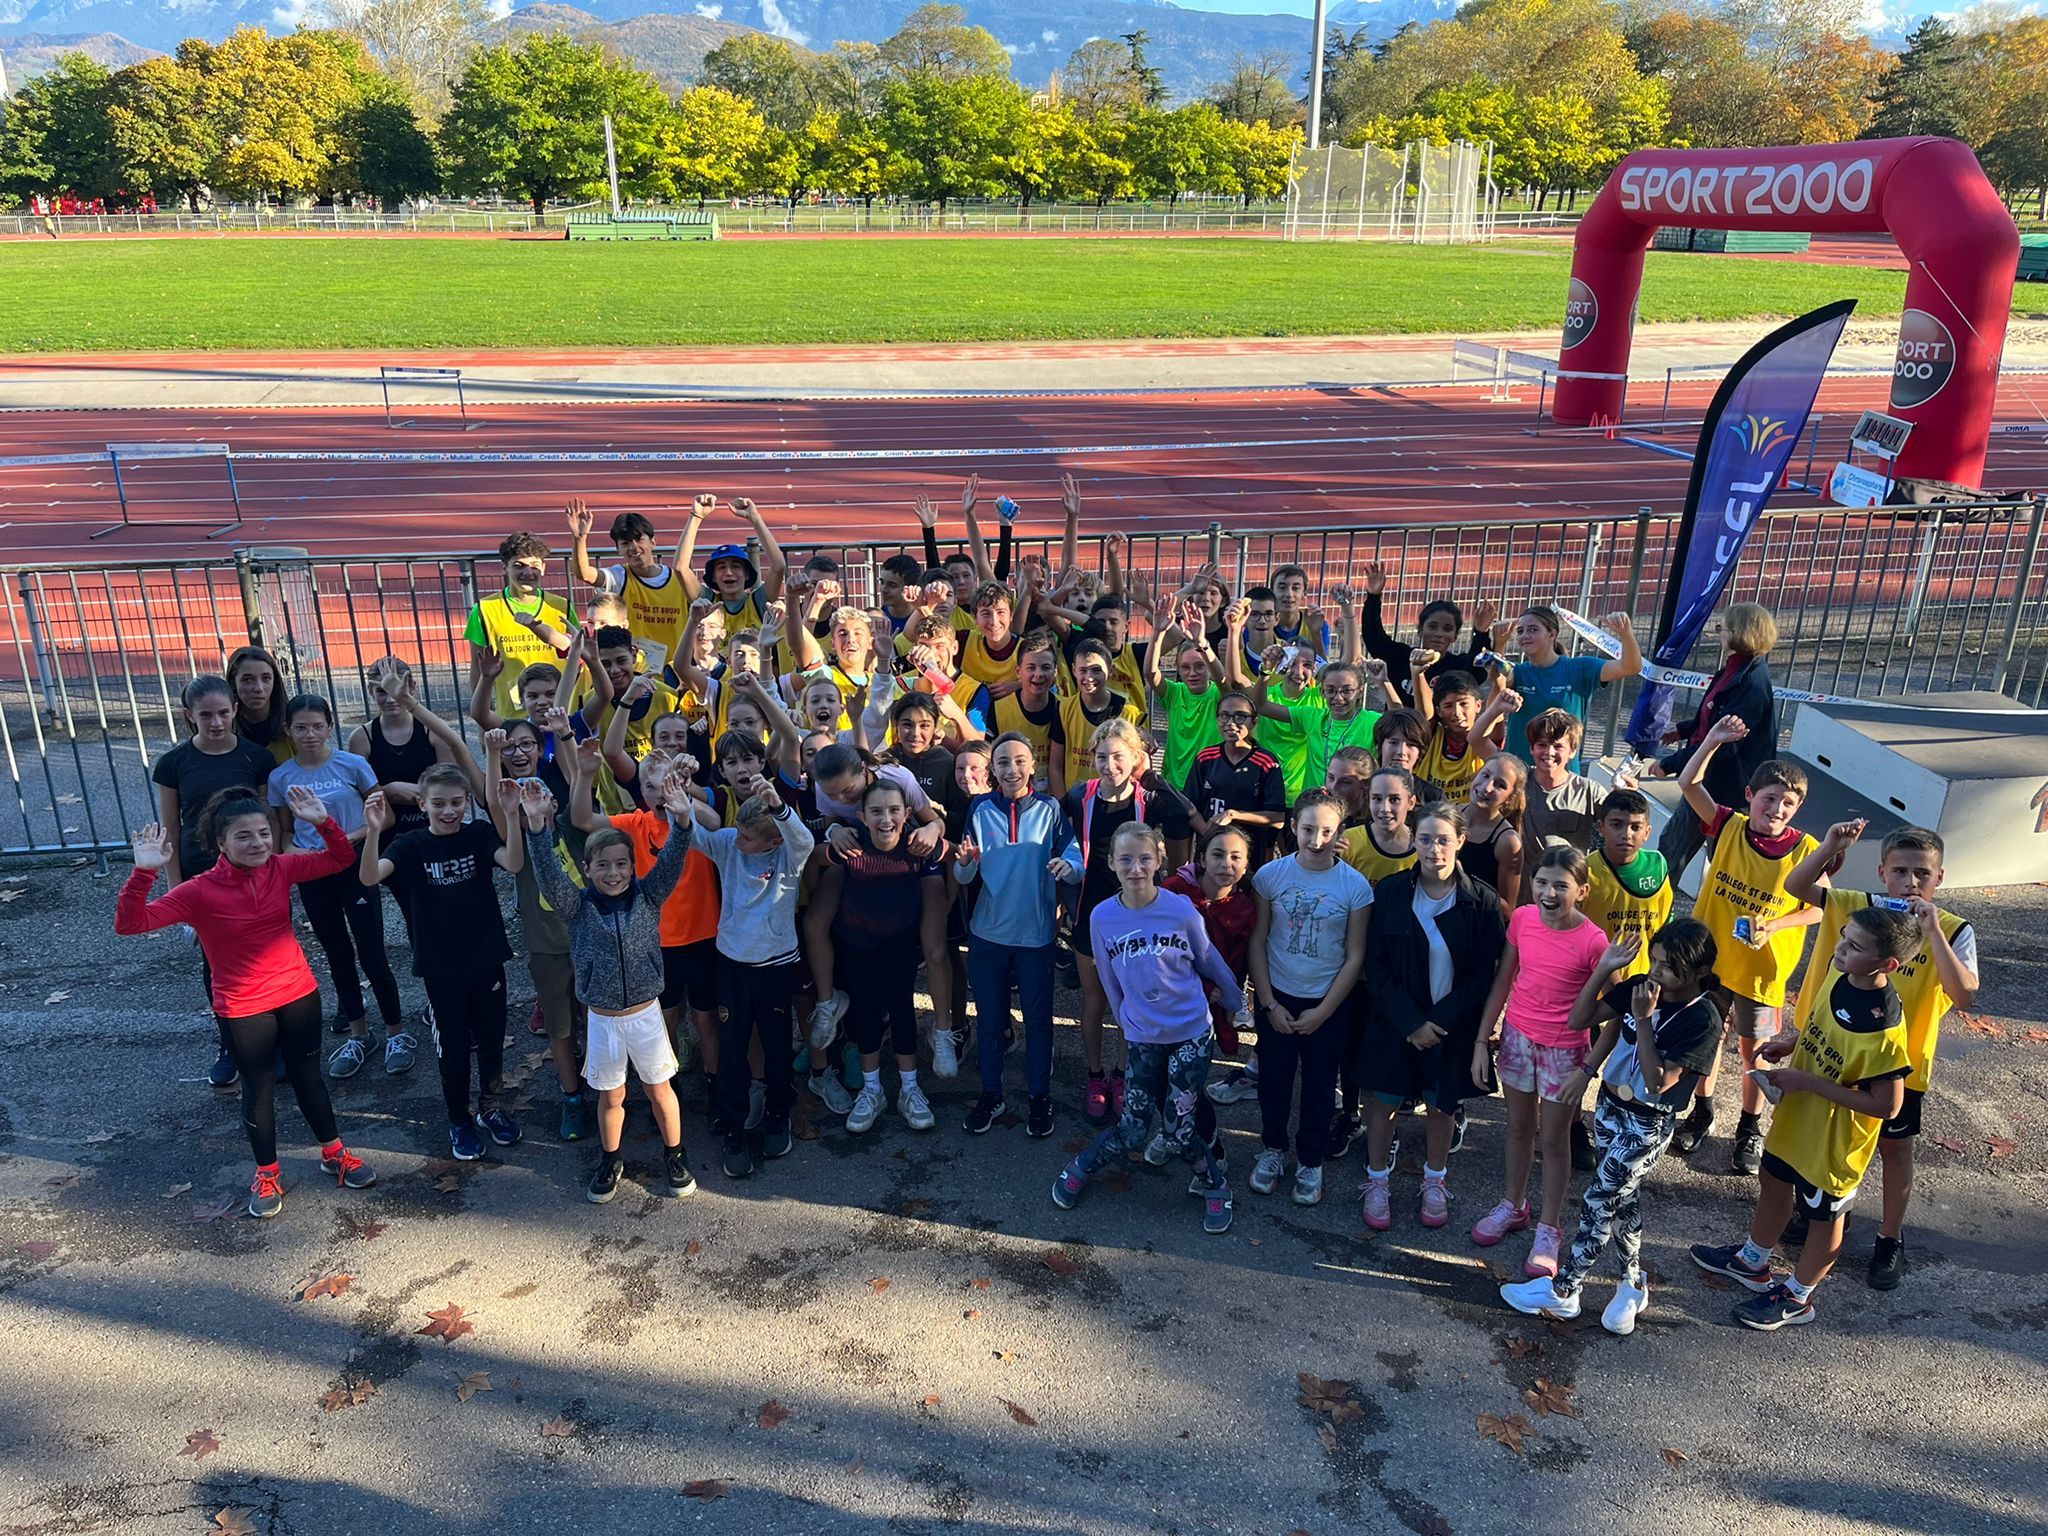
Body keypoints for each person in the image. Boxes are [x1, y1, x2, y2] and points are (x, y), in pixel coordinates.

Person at [117, 785, 377, 1219]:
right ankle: (268, 1173)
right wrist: (143, 873)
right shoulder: (198, 890)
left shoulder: (280, 868)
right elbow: (131, 923)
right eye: (244, 836)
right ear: (221, 844)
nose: (257, 843)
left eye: (263, 833)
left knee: (308, 1077)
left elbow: (340, 860)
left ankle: (335, 1153)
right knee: (257, 1090)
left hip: (297, 993)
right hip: (243, 1006)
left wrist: (321, 821)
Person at [1691, 907, 1919, 1330]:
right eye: (1844, 937)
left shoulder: (1884, 1031)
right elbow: (1824, 1027)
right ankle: (1752, 1261)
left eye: (1854, 946)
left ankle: (1798, 1295)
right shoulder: (1842, 973)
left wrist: (1808, 1082)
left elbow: (1887, 1107)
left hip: (1834, 1142)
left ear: (1887, 965)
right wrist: (1791, 1043)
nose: (1840, 948)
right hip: (1798, 1118)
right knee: (1774, 1179)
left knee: (1824, 1218)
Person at [1499, 921, 1724, 1334]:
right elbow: (1579, 1018)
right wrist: (1603, 969)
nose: (1656, 972)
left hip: (1648, 1121)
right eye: (1654, 960)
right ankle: (1632, 1283)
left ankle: (1564, 1291)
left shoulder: (1704, 1020)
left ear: (1698, 973)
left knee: (1599, 1199)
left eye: (1669, 966)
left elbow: (1658, 1082)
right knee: (1623, 1198)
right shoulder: (1640, 986)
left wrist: (1642, 1020)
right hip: (1610, 1107)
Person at [1785, 822, 1978, 1290]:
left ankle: (1890, 1237)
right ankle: (1823, 1212)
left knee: (1894, 1151)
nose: (1911, 882)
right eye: (1900, 871)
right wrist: (1830, 848)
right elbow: (1795, 886)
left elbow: (1965, 994)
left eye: (1922, 874)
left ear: (1940, 877)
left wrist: (1931, 931)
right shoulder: (1857, 907)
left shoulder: (1953, 929)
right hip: (1834, 1052)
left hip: (1899, 1066)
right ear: (1882, 872)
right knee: (1820, 1139)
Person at [1053, 822, 1239, 1234]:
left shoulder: (1179, 910)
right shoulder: (1102, 916)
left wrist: (1236, 1001)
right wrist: (1125, 1021)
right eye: (1125, 860)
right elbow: (1108, 977)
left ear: (1159, 860)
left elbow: (1208, 959)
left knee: (1177, 1131)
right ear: (1111, 863)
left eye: (1144, 859)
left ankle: (1215, 1184)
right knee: (1134, 1129)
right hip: (1142, 1037)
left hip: (1190, 1033)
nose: (1135, 868)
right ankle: (1082, 1165)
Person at [524, 773, 700, 1202]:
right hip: (603, 1021)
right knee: (612, 1096)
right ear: (587, 870)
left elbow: (673, 860)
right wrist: (536, 828)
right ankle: (610, 1158)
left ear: (633, 867)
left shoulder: (648, 895)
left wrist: (682, 824)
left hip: (646, 1016)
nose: (613, 872)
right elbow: (547, 873)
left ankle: (675, 1154)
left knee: (661, 1091)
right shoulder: (576, 907)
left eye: (621, 864)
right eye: (602, 865)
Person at [1670, 717, 1821, 1174]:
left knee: (1754, 1049)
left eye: (1788, 803)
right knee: (1706, 1040)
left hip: (1763, 971)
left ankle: (1749, 1127)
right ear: (1751, 797)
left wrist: (1776, 925)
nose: (1777, 808)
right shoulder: (1728, 827)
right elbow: (1688, 782)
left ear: (1797, 810)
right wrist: (1713, 740)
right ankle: (1702, 1111)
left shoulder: (1805, 849)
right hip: (1712, 961)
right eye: (1770, 798)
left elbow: (1820, 908)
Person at [360, 773, 525, 1162]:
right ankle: (459, 1119)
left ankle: (491, 1107)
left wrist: (512, 815)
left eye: (456, 802)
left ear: (467, 801)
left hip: (486, 958)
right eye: (438, 804)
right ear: (422, 805)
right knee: (453, 1048)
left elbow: (514, 863)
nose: (448, 811)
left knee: (490, 1039)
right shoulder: (409, 845)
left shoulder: (479, 834)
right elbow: (369, 876)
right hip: (440, 966)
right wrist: (371, 832)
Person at [1358, 802, 1507, 1231]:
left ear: (1461, 841)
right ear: (1414, 840)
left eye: (1444, 839)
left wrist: (1437, 1022)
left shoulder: (1481, 901)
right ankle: (1377, 1181)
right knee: (1383, 1103)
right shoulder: (1389, 892)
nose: (1434, 849)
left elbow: (1484, 973)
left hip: (1450, 1026)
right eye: (1425, 839)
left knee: (1443, 1107)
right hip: (1395, 1024)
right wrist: (1411, 1023)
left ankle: (1435, 1181)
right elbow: (1377, 965)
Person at [1470, 846, 1609, 1276]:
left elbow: (1617, 1010)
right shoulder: (1524, 919)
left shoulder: (1594, 942)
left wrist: (1587, 1070)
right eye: (1542, 883)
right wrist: (1481, 1038)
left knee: (1553, 1142)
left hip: (1565, 1053)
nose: (1549, 893)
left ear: (1582, 891)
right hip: (1517, 1039)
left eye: (1561, 886)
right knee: (1517, 1128)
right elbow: (1504, 979)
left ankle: (1549, 1227)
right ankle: (1513, 1205)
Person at [266, 695, 411, 1075]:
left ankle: (396, 1030)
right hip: (313, 871)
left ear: (330, 726)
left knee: (372, 952)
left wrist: (349, 839)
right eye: (301, 727)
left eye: (317, 726)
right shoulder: (281, 777)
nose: (310, 734)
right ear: (288, 731)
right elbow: (282, 832)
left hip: (355, 865)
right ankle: (359, 1034)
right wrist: (293, 850)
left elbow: (387, 815)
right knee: (336, 953)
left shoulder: (354, 765)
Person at [152, 675, 282, 1090]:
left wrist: (272, 872)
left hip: (254, 877)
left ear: (235, 711)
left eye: (223, 713)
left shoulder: (257, 758)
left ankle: (273, 1045)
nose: (216, 722)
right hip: (203, 878)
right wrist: (176, 891)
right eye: (205, 715)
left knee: (268, 959)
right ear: (189, 716)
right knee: (218, 967)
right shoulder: (173, 764)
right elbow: (170, 828)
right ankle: (231, 1045)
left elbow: (270, 822)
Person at [1246, 789, 1373, 1207]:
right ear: (1294, 827)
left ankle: (1311, 1158)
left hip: (1328, 1003)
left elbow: (1355, 956)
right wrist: (1268, 1003)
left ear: (1340, 832)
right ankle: (1273, 1148)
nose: (1316, 840)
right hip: (1278, 997)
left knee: (1321, 1084)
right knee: (1274, 1080)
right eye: (1307, 829)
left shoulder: (1354, 886)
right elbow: (1258, 941)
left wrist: (1324, 1011)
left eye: (1326, 831)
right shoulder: (1270, 877)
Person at [1063, 720, 1192, 1122]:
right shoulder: (1078, 797)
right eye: (1102, 757)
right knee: (1094, 999)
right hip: (1089, 911)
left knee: (1129, 1001)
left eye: (1119, 756)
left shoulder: (1149, 801)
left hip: (1135, 914)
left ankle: (1122, 1076)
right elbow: (1063, 847)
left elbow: (1184, 821)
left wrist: (1157, 780)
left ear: (1135, 758)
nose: (1109, 765)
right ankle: (1095, 1075)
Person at [955, 733, 1082, 1137]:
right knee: (990, 1020)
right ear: (992, 769)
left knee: (1039, 1020)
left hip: (1036, 934)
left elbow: (1075, 857)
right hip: (988, 934)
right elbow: (965, 872)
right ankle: (992, 1094)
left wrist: (1068, 866)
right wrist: (964, 864)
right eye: (1003, 762)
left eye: (1020, 761)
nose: (1011, 770)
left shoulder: (1050, 809)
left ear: (1033, 767)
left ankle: (1039, 1097)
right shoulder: (978, 808)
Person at [696, 773, 815, 1180]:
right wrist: (674, 795)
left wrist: (780, 806)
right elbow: (691, 832)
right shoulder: (730, 844)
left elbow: (805, 840)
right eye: (739, 833)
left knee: (778, 1046)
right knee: (734, 1050)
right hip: (732, 966)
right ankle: (733, 1128)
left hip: (777, 967)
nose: (739, 842)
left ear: (774, 839)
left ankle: (779, 1114)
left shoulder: (789, 853)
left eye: (749, 838)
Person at [821, 777, 950, 1134]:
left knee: (902, 1009)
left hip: (900, 944)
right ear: (862, 816)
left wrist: (937, 829)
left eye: (894, 810)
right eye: (876, 812)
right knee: (865, 1014)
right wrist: (832, 832)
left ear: (907, 813)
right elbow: (814, 855)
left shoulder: (917, 845)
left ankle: (910, 1089)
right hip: (857, 943)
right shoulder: (852, 843)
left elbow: (953, 852)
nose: (886, 819)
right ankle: (872, 1090)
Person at [485, 724, 588, 1138]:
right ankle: (572, 1096)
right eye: (523, 798)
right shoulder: (518, 839)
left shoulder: (572, 824)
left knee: (595, 1021)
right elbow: (496, 803)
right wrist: (493, 756)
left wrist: (563, 735)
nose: (533, 803)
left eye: (539, 794)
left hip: (589, 939)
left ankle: (607, 1089)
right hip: (546, 945)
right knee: (561, 1028)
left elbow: (577, 773)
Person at [345, 658, 485, 930]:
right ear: (370, 691)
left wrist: (405, 792)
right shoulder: (361, 738)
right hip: (392, 837)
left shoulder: (432, 732)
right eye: (381, 691)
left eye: (400, 689)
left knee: (452, 906)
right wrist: (390, 790)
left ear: (413, 686)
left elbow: (451, 785)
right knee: (415, 912)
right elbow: (359, 796)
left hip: (435, 832)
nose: (391, 698)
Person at [1650, 602, 1780, 881]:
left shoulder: (1751, 684)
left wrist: (1670, 763)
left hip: (1723, 789)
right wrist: (1683, 730)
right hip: (1708, 782)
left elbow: (1723, 745)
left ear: (1741, 634)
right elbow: (1712, 717)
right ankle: (1660, 915)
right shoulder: (1734, 670)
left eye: (1724, 627)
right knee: (1671, 853)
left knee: (1718, 865)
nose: (1719, 631)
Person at [1504, 605, 1641, 763]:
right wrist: (1499, 644)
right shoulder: (1517, 672)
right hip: (1518, 773)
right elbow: (1497, 688)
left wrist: (1626, 634)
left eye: (1533, 629)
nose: (1525, 636)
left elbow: (1630, 667)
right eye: (1520, 631)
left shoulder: (1580, 668)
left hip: (1561, 775)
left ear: (1552, 634)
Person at [1356, 562, 1501, 708]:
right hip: (1400, 728)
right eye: (1432, 626)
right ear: (1420, 630)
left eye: (1447, 629)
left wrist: (1481, 633)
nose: (1439, 634)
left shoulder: (1457, 667)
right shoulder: (1402, 657)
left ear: (1455, 636)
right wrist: (1374, 597)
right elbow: (1374, 638)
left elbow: (1477, 672)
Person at [465, 532, 574, 722]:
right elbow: (477, 668)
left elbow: (576, 655)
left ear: (543, 568)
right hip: (510, 717)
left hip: (559, 713)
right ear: (505, 568)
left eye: (534, 566)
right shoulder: (485, 609)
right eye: (518, 566)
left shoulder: (561, 606)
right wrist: (482, 720)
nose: (527, 573)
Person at [567, 500, 689, 670]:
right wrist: (580, 539)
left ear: (653, 542)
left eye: (639, 539)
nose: (634, 547)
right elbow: (585, 574)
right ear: (618, 549)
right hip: (634, 672)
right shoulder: (620, 577)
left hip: (675, 671)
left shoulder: (680, 579)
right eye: (625, 543)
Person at [1183, 691, 1288, 868]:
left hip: (1249, 855)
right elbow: (1190, 805)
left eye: (1240, 716)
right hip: (1211, 850)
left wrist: (1234, 815)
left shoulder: (1266, 762)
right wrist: (1207, 832)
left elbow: (1277, 818)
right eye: (1224, 716)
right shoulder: (1205, 758)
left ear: (1255, 721)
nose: (1231, 723)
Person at [1518, 709, 1607, 898]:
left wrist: (1625, 795)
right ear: (1531, 748)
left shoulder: (1590, 791)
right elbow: (1478, 742)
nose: (1549, 752)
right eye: (1542, 744)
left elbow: (1619, 824)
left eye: (1558, 746)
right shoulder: (1519, 781)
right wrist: (1498, 707)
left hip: (1567, 899)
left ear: (1573, 751)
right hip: (1523, 896)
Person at [676, 495, 787, 632]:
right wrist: (696, 516)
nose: (728, 572)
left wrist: (755, 518)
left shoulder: (758, 602)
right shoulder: (707, 601)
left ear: (747, 574)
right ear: (713, 576)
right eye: (721, 567)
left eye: (735, 566)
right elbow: (681, 569)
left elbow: (779, 567)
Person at [1052, 639, 1145, 796]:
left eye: (1096, 670)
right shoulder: (1064, 709)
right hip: (1076, 802)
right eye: (1083, 670)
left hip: (1118, 800)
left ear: (1110, 670)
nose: (1089, 677)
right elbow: (1055, 766)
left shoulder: (1129, 713)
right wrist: (1064, 807)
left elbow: (1140, 768)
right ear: (1074, 670)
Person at [1409, 666, 1513, 804]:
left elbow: (1496, 712)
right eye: (1448, 706)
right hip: (1430, 820)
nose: (1457, 712)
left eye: (1463, 703)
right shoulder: (1432, 735)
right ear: (1439, 711)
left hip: (1469, 822)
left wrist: (1498, 683)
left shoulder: (1485, 740)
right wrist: (1418, 673)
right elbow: (1424, 712)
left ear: (1478, 705)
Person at [1459, 754, 1525, 913]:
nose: (1486, 787)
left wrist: (1462, 880)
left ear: (1510, 798)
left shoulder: (1507, 842)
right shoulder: (1450, 813)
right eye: (1485, 775)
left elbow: (1507, 910)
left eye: (1500, 785)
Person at [228, 645, 293, 765]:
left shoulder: (295, 725)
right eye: (247, 679)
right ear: (233, 682)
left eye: (266, 678)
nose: (259, 688)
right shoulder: (222, 729)